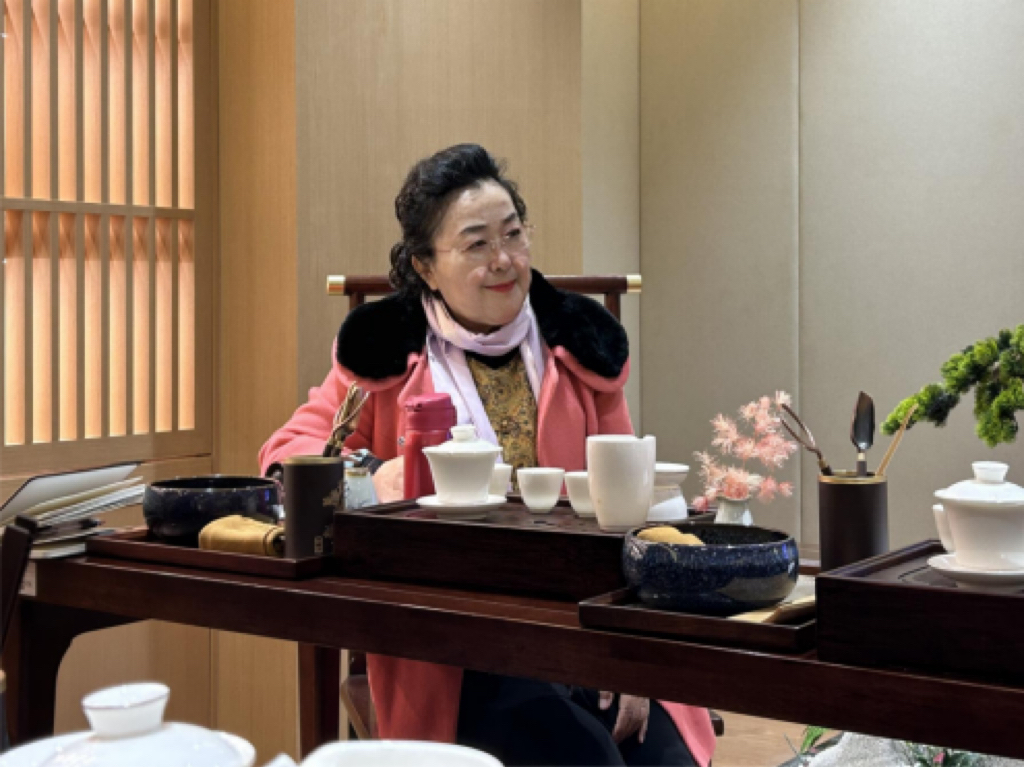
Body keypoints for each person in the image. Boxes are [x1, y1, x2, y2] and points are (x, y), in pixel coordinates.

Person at [260, 144, 716, 767]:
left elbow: (630, 509)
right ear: (426, 266)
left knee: (667, 761)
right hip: (453, 645)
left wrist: (630, 655)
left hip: (589, 624)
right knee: (584, 758)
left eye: (513, 234)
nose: (503, 260)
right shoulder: (384, 351)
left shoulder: (578, 345)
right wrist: (369, 479)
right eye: (476, 244)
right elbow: (289, 451)